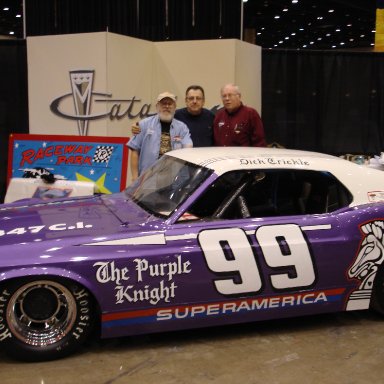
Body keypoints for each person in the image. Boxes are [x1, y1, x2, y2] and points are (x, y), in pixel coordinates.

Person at [127, 92, 192, 181]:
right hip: (148, 178)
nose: (167, 106)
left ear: (175, 107)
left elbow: (188, 148)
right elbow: (134, 150)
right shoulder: (144, 124)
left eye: (170, 103)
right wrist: (134, 176)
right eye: (163, 103)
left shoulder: (182, 128)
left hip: (173, 179)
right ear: (157, 106)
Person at [131, 85, 214, 147]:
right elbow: (154, 119)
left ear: (203, 101)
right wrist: (137, 126)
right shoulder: (175, 115)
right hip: (182, 164)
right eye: (191, 98)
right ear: (186, 100)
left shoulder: (211, 117)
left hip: (206, 164)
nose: (195, 101)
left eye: (198, 98)